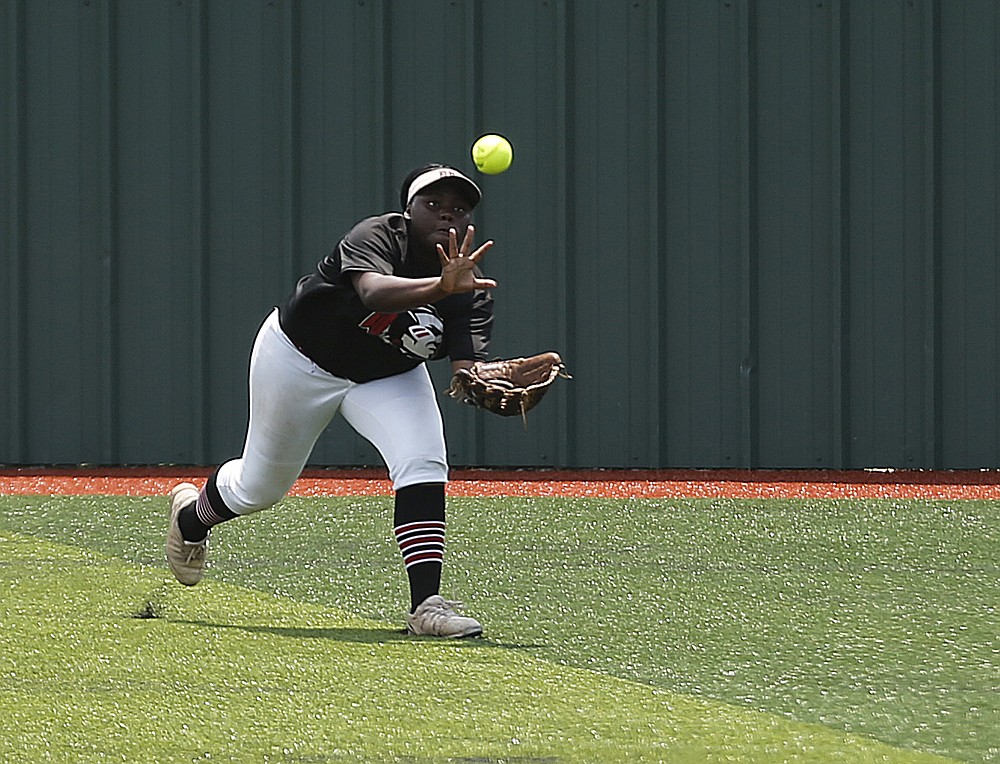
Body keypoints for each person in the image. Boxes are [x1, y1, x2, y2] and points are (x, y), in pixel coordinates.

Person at [166, 164, 497, 638]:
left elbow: (464, 364)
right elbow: (373, 292)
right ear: (409, 211)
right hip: (299, 359)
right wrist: (439, 287)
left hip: (386, 376)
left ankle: (427, 606)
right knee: (260, 488)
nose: (446, 216)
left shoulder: (471, 287)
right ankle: (191, 517)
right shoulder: (378, 236)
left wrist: (480, 380)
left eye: (458, 209)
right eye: (433, 205)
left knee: (423, 461)